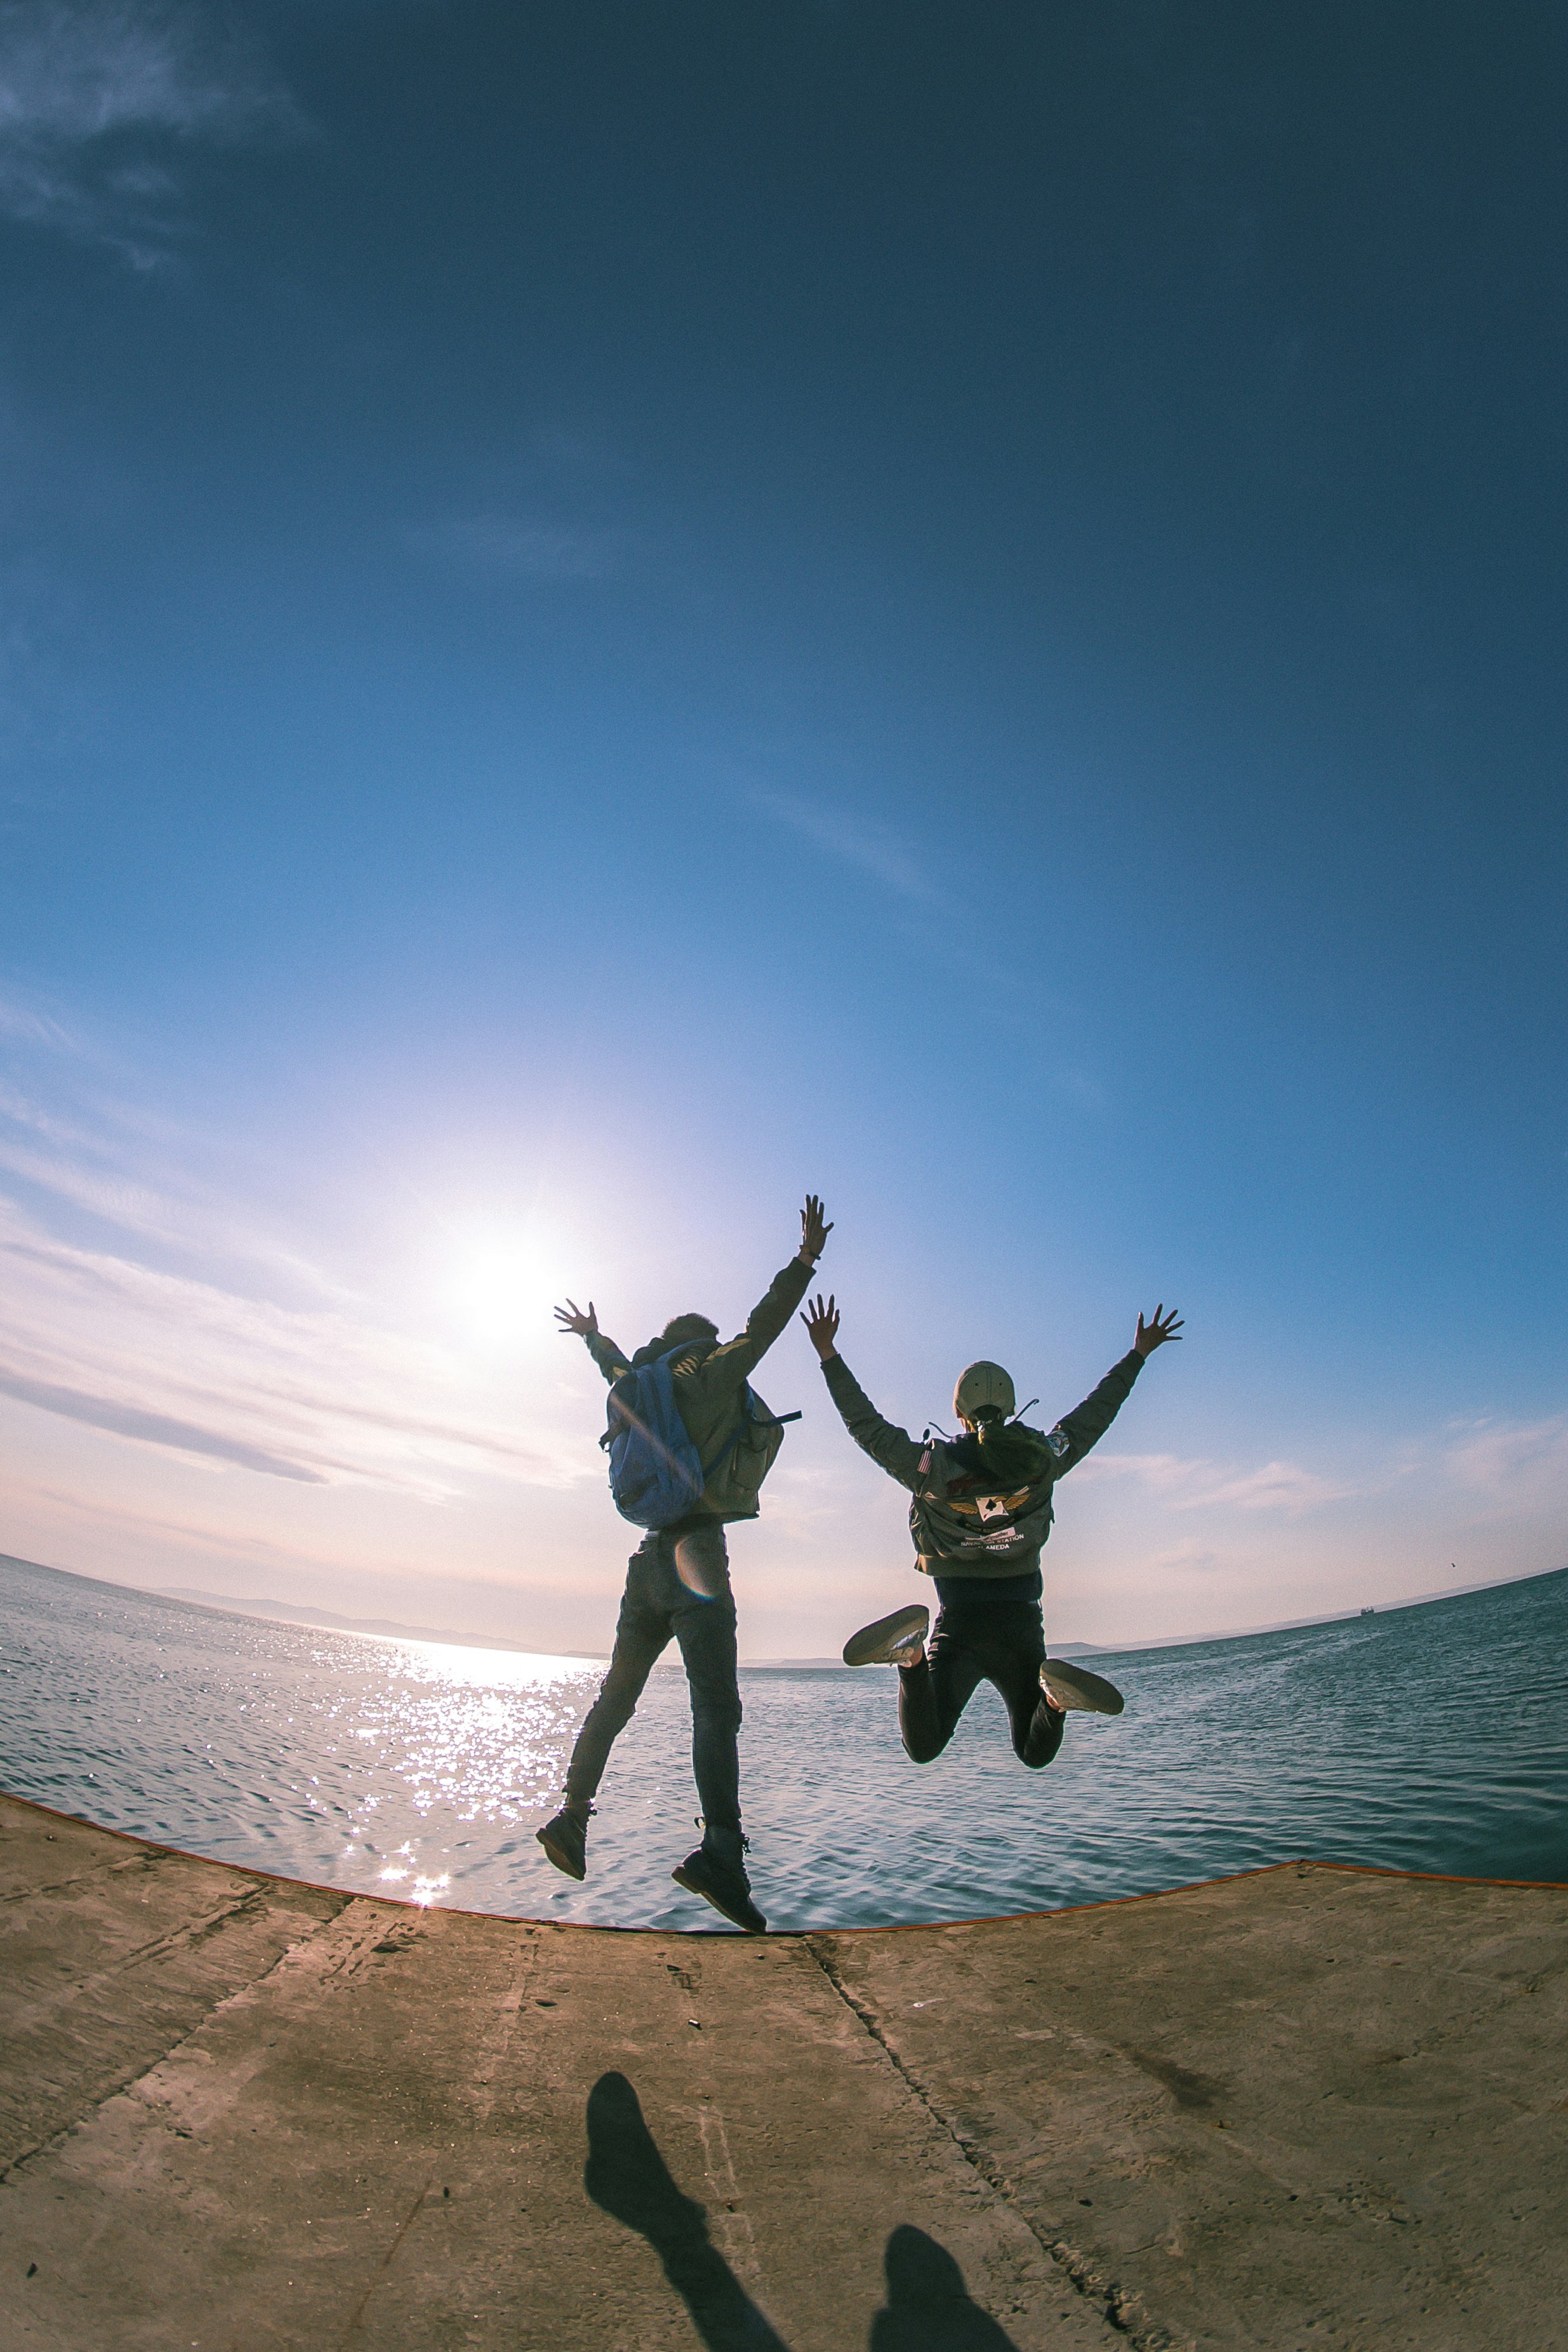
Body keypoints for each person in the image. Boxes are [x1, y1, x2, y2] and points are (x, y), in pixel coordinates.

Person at [537, 1195, 833, 1932]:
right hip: (698, 1555)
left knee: (618, 1694)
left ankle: (572, 1818)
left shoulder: (636, 1384)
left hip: (644, 1564)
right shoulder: (709, 1374)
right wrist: (804, 1261)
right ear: (700, 1343)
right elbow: (762, 1329)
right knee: (716, 1710)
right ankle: (721, 1856)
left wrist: (593, 1337)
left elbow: (610, 1362)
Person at [800, 1294, 1183, 1771]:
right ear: (1013, 1407)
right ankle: (1057, 1701)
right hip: (1019, 1622)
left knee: (923, 1746)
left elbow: (867, 1428)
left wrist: (828, 1353)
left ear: (959, 1412)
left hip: (959, 1622)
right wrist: (1137, 1355)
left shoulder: (930, 1466)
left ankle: (911, 1656)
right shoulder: (1043, 1456)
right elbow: (1093, 1416)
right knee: (1033, 1750)